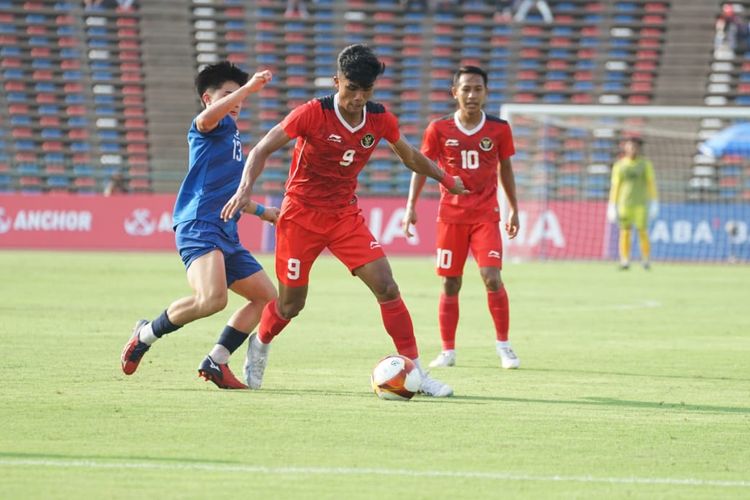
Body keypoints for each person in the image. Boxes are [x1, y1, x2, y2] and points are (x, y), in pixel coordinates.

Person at [221, 44, 468, 397]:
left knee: (387, 286)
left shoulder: (380, 118)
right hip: (300, 216)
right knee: (291, 304)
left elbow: (410, 156)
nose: (357, 98)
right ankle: (260, 342)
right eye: (351, 89)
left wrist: (446, 180)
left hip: (344, 217)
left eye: (365, 91)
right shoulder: (311, 113)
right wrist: (246, 190)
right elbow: (261, 149)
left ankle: (417, 371)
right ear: (337, 81)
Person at [121, 62, 279, 389]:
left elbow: (233, 195)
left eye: (238, 95)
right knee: (212, 299)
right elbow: (205, 119)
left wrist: (263, 212)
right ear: (208, 98)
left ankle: (217, 360)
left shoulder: (232, 138)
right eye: (227, 94)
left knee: (266, 297)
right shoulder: (204, 125)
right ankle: (145, 334)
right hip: (199, 225)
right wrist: (248, 88)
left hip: (226, 232)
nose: (236, 100)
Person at [401, 65, 521, 370]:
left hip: (486, 216)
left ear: (486, 93)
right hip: (450, 218)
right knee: (450, 284)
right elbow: (422, 166)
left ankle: (504, 347)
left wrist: (514, 208)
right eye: (465, 89)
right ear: (455, 93)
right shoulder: (438, 129)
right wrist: (411, 205)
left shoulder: (499, 129)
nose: (471, 95)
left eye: (477, 89)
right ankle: (448, 351)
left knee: (491, 278)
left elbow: (505, 169)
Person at [607, 137, 659, 270]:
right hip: (624, 204)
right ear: (625, 148)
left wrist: (654, 201)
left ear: (638, 148)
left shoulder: (645, 164)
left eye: (634, 146)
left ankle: (646, 259)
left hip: (640, 203)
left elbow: (650, 183)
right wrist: (612, 205)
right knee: (625, 232)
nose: (632, 149)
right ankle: (625, 260)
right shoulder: (620, 165)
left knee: (642, 231)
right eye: (629, 146)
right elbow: (615, 186)